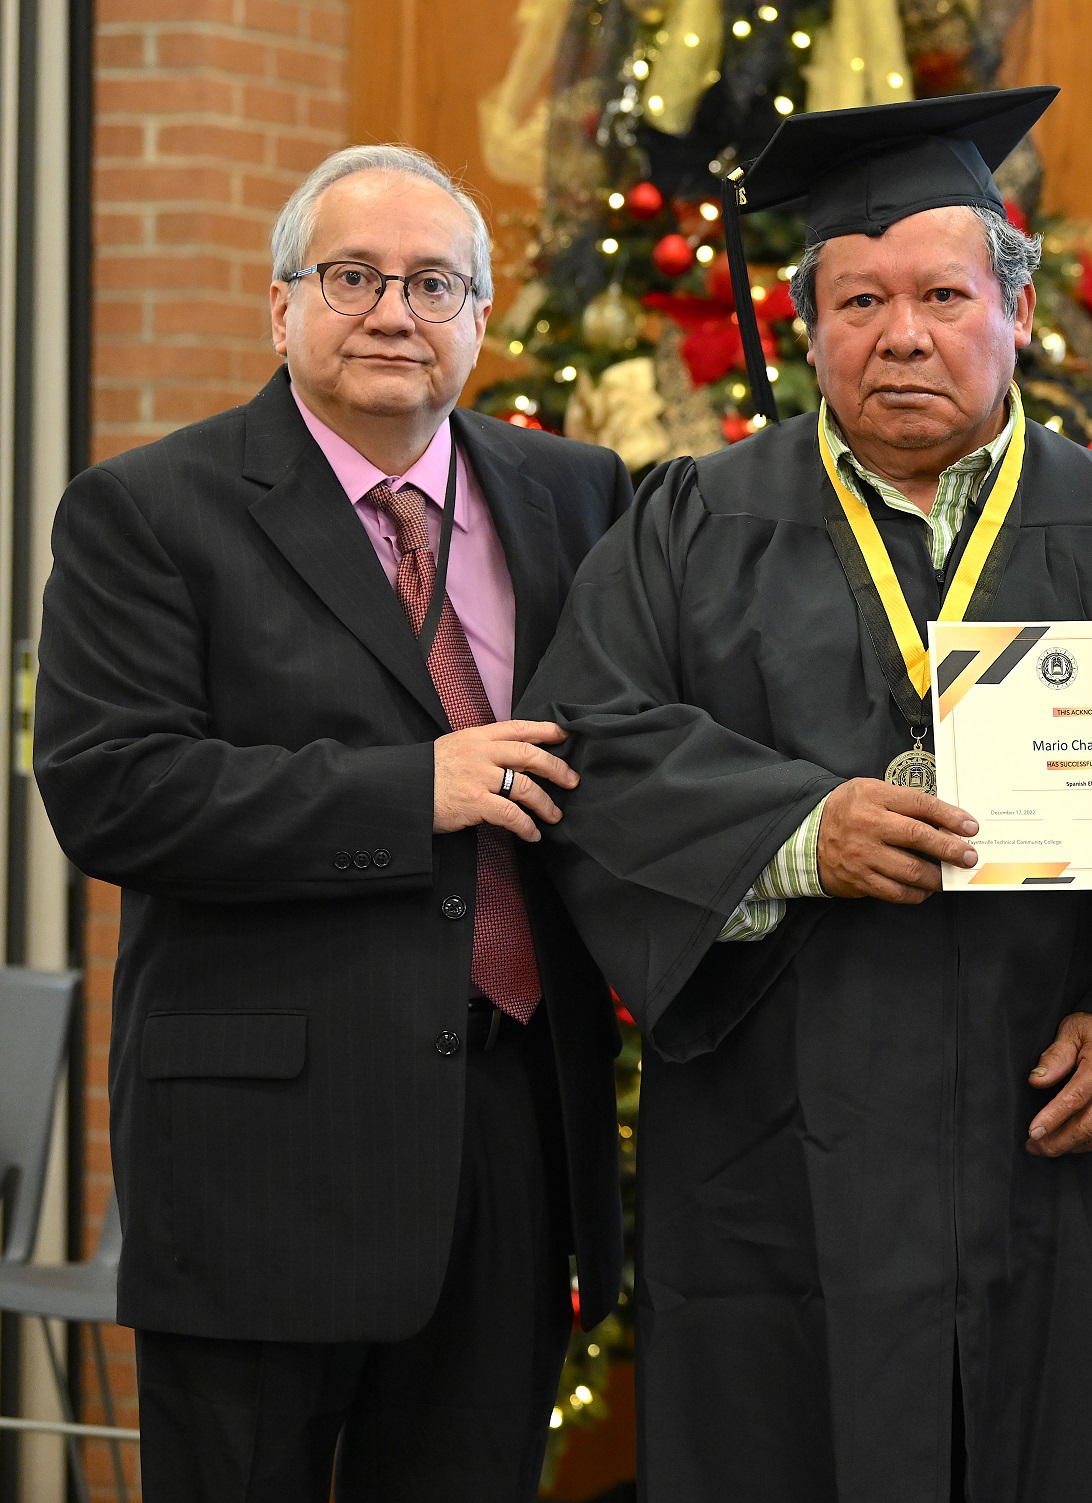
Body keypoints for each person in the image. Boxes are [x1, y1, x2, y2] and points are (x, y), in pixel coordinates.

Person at [521, 88, 1092, 1503]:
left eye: (940, 293)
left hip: (1060, 1140)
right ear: (806, 320)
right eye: (857, 300)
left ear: (1014, 312)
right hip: (783, 1157)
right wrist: (795, 833)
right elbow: (586, 749)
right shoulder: (690, 523)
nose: (899, 334)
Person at [34, 145, 630, 1502]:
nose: (391, 312)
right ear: (281, 306)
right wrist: (410, 792)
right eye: (351, 275)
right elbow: (113, 789)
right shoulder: (149, 512)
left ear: (482, 318)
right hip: (268, 1155)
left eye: (434, 283)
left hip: (512, 1131)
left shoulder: (576, 495)